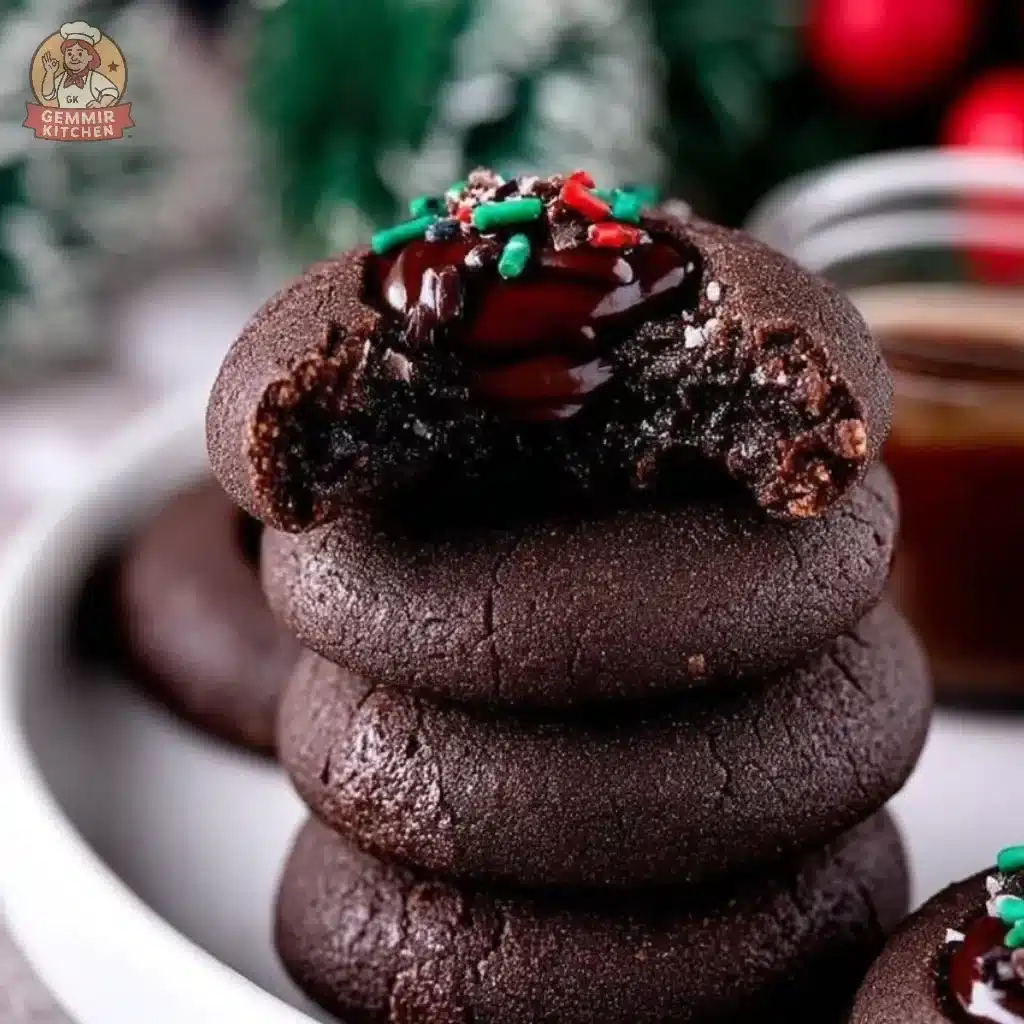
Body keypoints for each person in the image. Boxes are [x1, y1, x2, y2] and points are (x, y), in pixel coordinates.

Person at [39, 22, 119, 110]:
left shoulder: (93, 78)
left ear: (90, 57)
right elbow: (48, 95)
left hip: (89, 121)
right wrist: (50, 73)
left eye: (80, 53)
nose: (74, 57)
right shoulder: (62, 78)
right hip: (65, 121)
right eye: (69, 53)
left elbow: (112, 92)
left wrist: (100, 104)